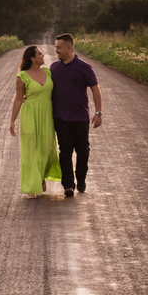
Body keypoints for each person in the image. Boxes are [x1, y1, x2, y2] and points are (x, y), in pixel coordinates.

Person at [50, 33, 102, 197]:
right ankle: (68, 185)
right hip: (60, 117)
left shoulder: (84, 67)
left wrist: (98, 112)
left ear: (69, 47)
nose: (56, 50)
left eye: (59, 47)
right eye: (56, 47)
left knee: (83, 150)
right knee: (65, 150)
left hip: (80, 117)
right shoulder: (53, 68)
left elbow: (95, 89)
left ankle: (81, 179)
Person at [8, 45, 62, 198]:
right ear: (32, 58)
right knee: (31, 151)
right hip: (30, 116)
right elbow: (18, 99)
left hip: (47, 116)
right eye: (39, 53)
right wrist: (12, 121)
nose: (43, 55)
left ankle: (41, 176)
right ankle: (32, 186)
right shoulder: (22, 76)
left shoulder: (48, 72)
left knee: (46, 148)